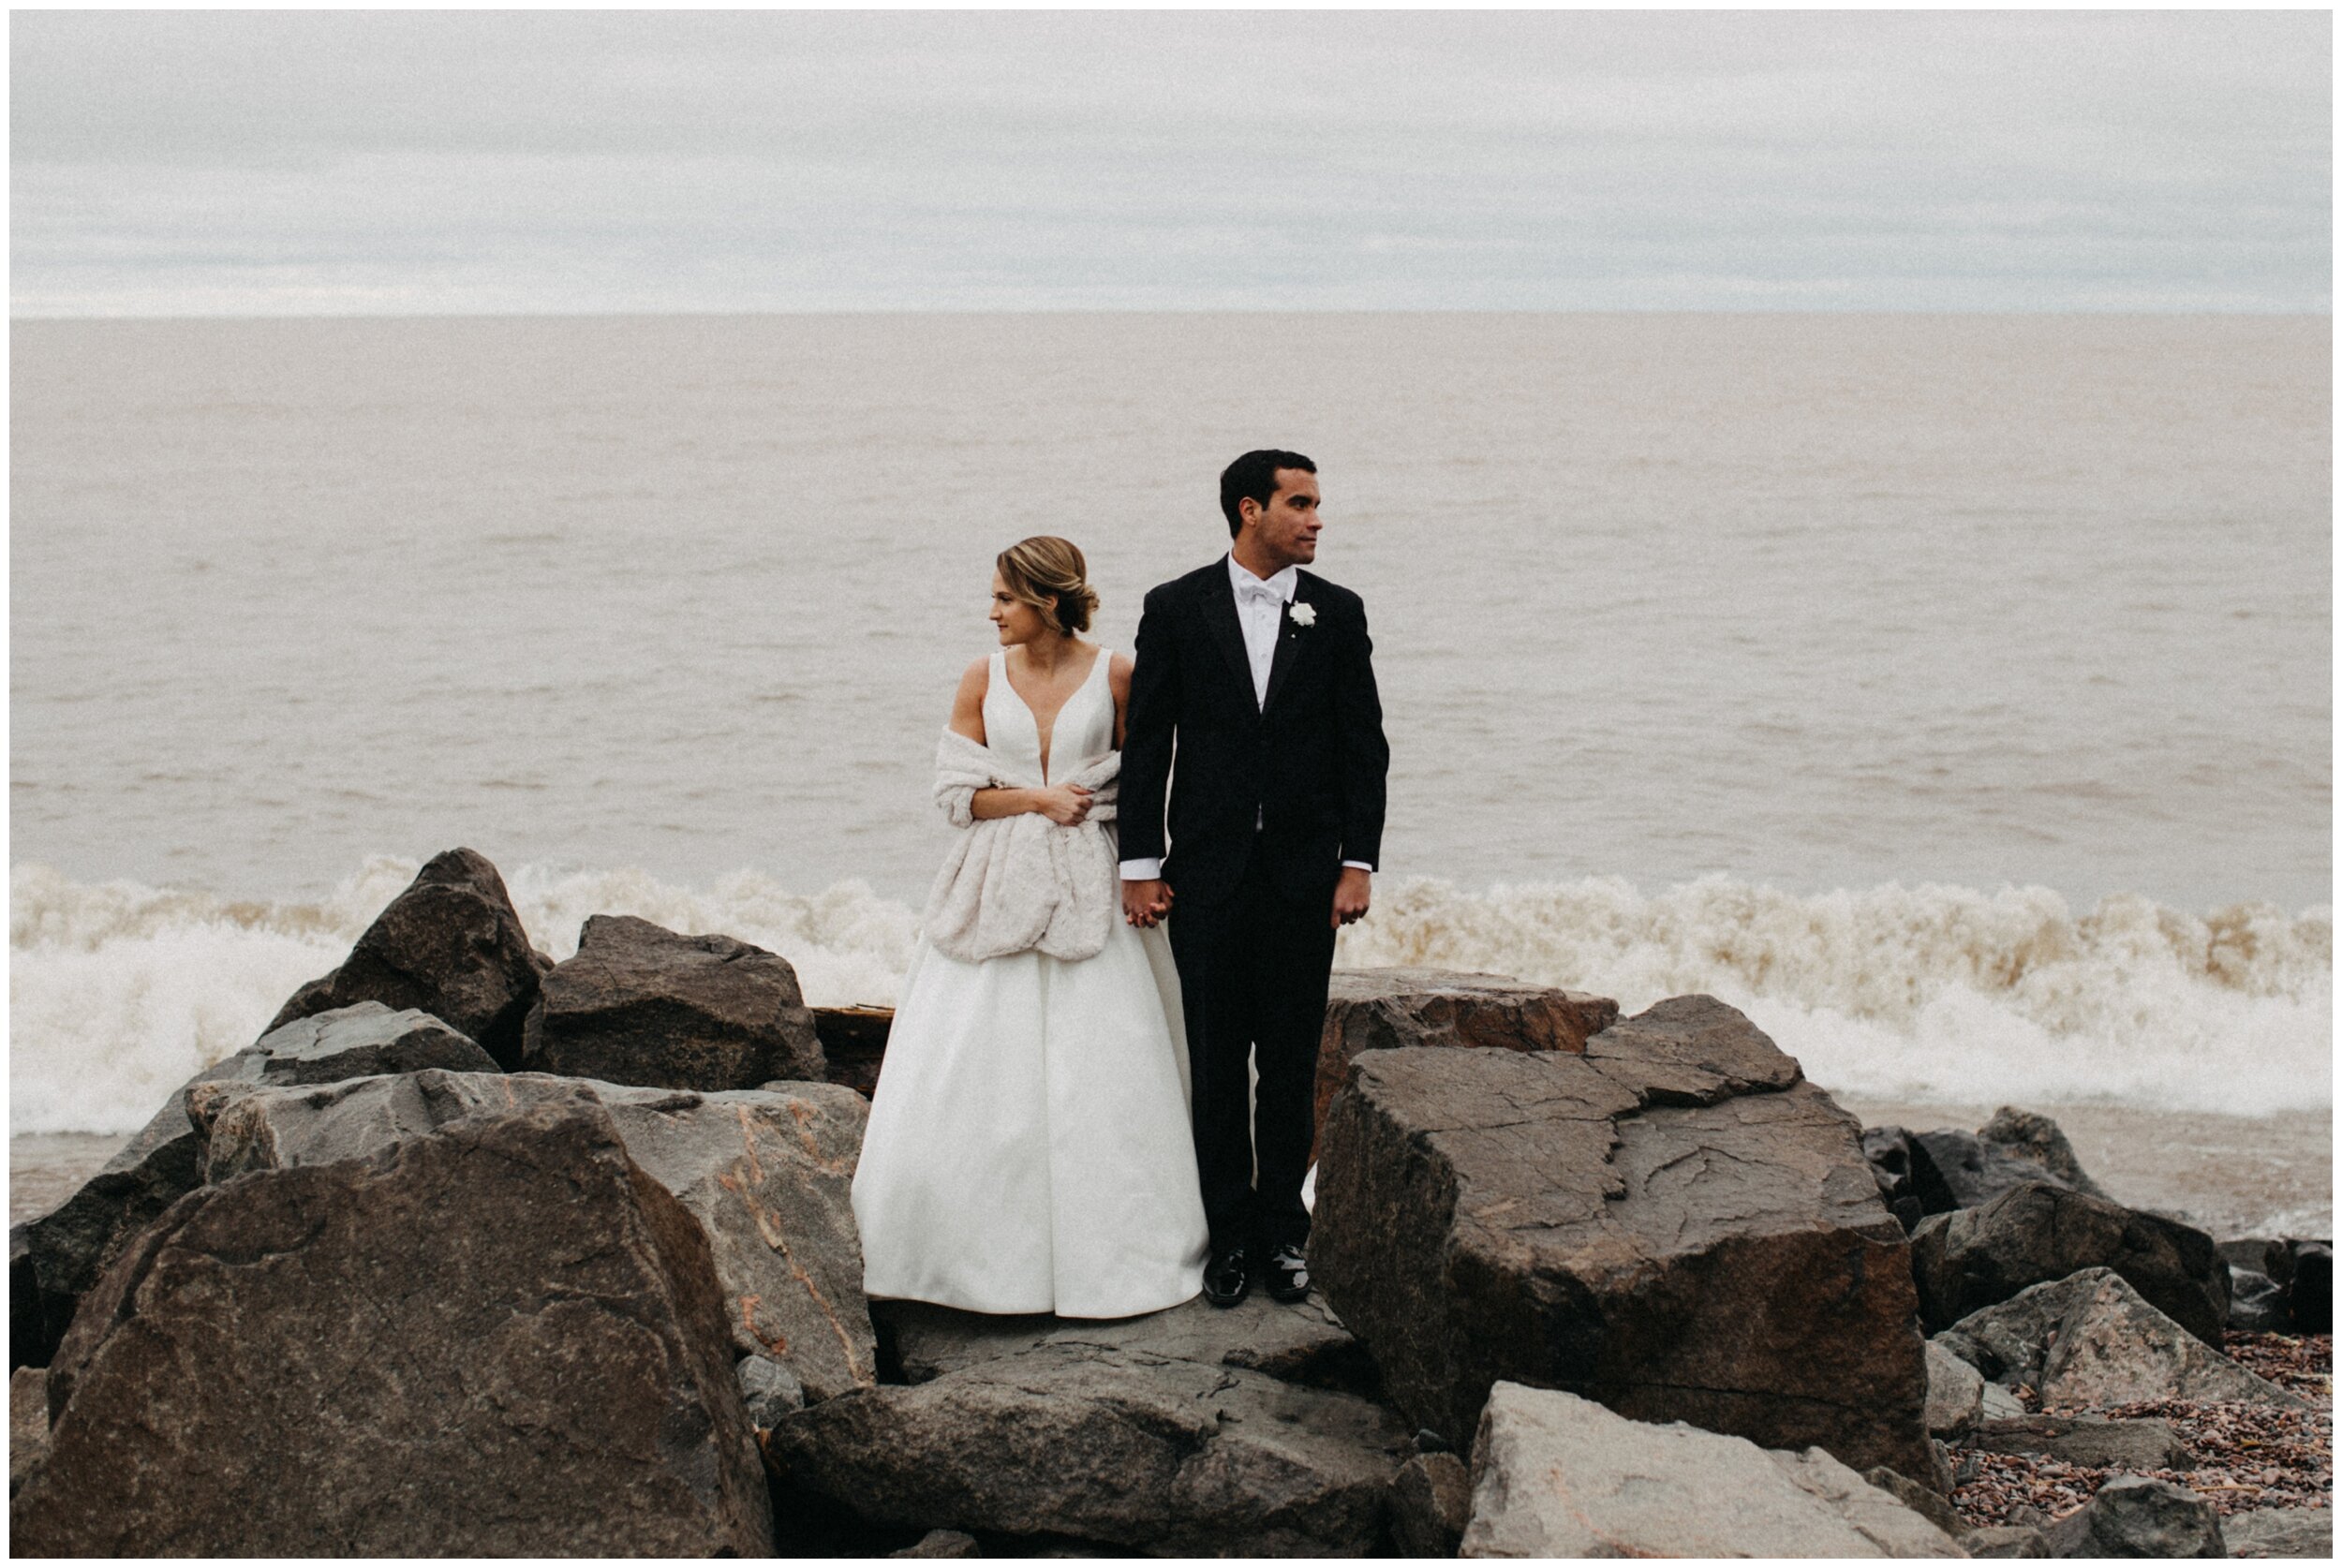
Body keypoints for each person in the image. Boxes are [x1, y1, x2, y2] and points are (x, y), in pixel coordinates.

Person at [852, 536, 1208, 1318]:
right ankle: (960, 1259)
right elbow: (954, 795)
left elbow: (1148, 777)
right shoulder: (983, 675)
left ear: (1048, 601)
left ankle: (1116, 1252)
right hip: (994, 881)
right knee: (972, 1064)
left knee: (1106, 1065)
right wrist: (1036, 800)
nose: (992, 613)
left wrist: (1144, 865)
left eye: (1005, 599)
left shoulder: (1117, 672)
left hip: (1094, 878)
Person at [1119, 451, 1389, 1308]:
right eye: (1300, 504)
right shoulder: (1175, 608)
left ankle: (1283, 1233)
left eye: (1318, 504)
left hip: (1306, 881)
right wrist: (1139, 865)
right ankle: (1225, 1236)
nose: (1316, 520)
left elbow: (1364, 748)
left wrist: (1357, 861)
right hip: (1206, 878)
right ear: (1250, 510)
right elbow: (1148, 747)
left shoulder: (1337, 613)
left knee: (1288, 1060)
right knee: (1214, 1063)